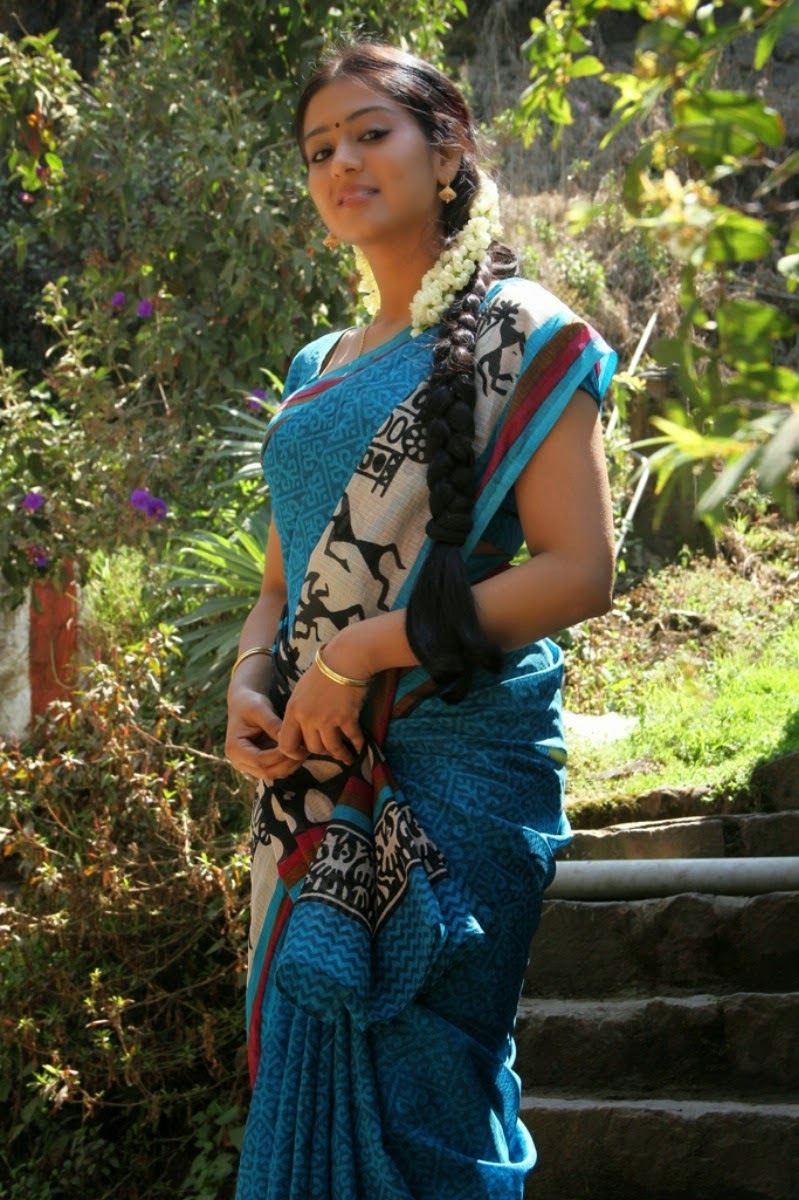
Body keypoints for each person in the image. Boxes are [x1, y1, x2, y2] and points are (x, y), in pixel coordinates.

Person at [225, 40, 616, 1200]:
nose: (341, 163)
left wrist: (358, 653)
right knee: (308, 1082)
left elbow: (579, 571)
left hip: (458, 760)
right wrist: (249, 684)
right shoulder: (318, 364)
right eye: (318, 150)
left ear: (446, 151)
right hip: (312, 771)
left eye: (370, 133)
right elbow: (277, 586)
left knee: (430, 1097)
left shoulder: (518, 331)